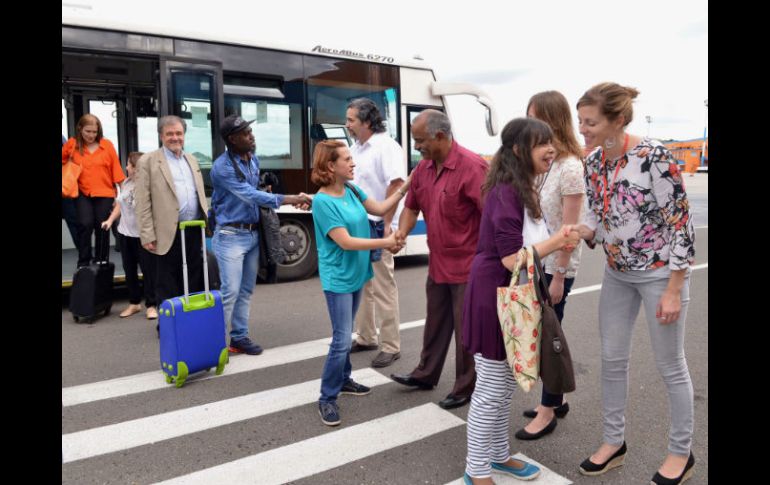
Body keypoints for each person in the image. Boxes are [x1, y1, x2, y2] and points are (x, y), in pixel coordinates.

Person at [573, 82, 696, 484]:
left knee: (670, 366)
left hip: (661, 274)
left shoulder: (653, 156)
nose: (583, 130)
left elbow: (681, 223)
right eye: (580, 122)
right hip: (617, 274)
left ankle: (682, 453)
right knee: (612, 360)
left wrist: (675, 289)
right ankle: (614, 443)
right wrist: (581, 231)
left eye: (590, 122)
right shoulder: (593, 163)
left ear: (618, 120)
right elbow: (596, 214)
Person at [461, 117, 580, 485]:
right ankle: (476, 469)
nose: (551, 149)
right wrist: (558, 241)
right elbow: (511, 258)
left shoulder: (522, 187)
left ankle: (498, 455)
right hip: (497, 295)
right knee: (492, 390)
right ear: (518, 150)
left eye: (551, 142)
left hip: (514, 296)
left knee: (506, 385)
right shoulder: (506, 192)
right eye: (541, 143)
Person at [390, 109, 485, 410]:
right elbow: (411, 206)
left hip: (469, 265)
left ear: (440, 136)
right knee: (436, 322)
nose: (416, 147)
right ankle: (425, 374)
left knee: (466, 329)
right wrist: (401, 234)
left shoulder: (473, 167)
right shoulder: (423, 168)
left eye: (420, 141)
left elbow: (492, 217)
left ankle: (465, 386)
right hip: (439, 261)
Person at [310, 140, 409, 426]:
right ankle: (327, 397)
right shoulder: (323, 201)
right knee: (342, 340)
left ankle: (344, 379)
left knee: (345, 333)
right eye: (346, 159)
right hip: (338, 277)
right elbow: (346, 241)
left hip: (356, 272)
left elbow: (379, 208)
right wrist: (387, 242)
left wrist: (406, 186)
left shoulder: (351, 189)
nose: (353, 163)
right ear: (331, 166)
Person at [514, 90, 587, 441]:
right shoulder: (547, 163)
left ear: (552, 119)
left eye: (535, 117)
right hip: (540, 260)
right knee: (543, 331)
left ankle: (548, 411)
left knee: (549, 335)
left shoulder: (571, 167)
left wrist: (558, 275)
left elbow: (568, 231)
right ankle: (555, 400)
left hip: (557, 265)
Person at [210, 115, 311, 355]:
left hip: (253, 234)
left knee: (246, 290)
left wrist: (265, 187)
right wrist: (288, 199)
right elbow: (247, 194)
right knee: (230, 292)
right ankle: (212, 344)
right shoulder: (222, 167)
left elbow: (254, 190)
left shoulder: (252, 159)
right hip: (230, 235)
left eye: (250, 131)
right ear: (232, 140)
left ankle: (239, 338)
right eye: (245, 133)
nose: (251, 136)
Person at [345, 98, 406, 368]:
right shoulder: (356, 148)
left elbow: (395, 184)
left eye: (351, 120)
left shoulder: (386, 147)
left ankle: (391, 345)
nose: (346, 125)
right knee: (363, 283)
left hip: (376, 222)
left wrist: (387, 223)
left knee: (383, 286)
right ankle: (367, 336)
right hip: (358, 223)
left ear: (367, 122)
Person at [135, 115, 209, 335]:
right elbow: (143, 200)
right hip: (166, 232)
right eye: (170, 134)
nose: (175, 138)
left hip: (193, 228)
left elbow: (198, 193)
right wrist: (147, 234)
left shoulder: (192, 159)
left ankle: (192, 324)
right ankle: (168, 328)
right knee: (167, 282)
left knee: (195, 279)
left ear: (184, 135)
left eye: (178, 133)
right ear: (161, 136)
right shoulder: (148, 161)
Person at [100, 152, 159, 319]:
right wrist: (110, 220)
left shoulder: (149, 186)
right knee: (129, 270)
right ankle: (134, 303)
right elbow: (120, 204)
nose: (126, 167)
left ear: (137, 168)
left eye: (128, 165)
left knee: (148, 271)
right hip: (125, 234)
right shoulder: (125, 183)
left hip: (143, 236)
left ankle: (151, 305)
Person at [62, 114, 125, 268]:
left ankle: (101, 259)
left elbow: (116, 169)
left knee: (102, 225)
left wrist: (123, 193)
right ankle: (83, 261)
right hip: (82, 192)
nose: (91, 135)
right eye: (87, 131)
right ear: (80, 129)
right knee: (85, 224)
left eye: (94, 132)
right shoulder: (72, 144)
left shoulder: (107, 145)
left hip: (104, 192)